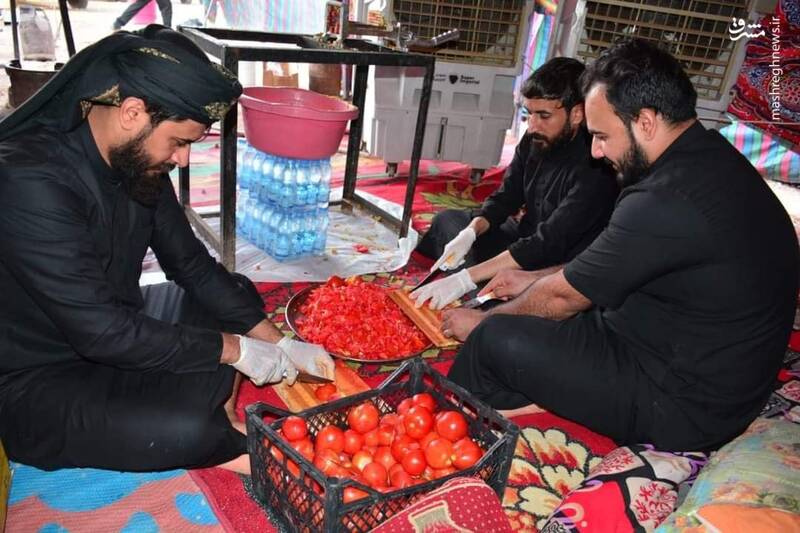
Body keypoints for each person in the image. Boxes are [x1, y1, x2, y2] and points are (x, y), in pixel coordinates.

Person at [0, 25, 334, 474]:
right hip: (39, 376)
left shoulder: (136, 161)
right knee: (186, 429)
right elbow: (102, 332)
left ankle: (217, 411)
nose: (182, 160)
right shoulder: (28, 180)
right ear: (132, 113)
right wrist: (235, 350)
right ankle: (215, 422)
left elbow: (191, 267)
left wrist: (280, 343)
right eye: (179, 142)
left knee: (235, 293)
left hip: (123, 323)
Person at [443, 39, 799, 452]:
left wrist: (483, 322)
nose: (596, 152)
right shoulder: (707, 157)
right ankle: (539, 395)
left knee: (495, 337)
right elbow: (612, 267)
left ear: (645, 122)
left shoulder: (664, 198)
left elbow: (562, 299)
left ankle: (458, 440)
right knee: (532, 308)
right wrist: (531, 278)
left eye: (601, 136)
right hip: (680, 350)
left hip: (681, 404)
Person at [411, 57, 618, 310]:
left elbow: (549, 241)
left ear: (576, 114)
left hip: (558, 264)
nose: (532, 126)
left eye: (544, 116)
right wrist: (472, 231)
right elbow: (506, 197)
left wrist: (466, 278)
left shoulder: (596, 165)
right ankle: (476, 286)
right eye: (529, 114)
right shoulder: (535, 141)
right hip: (524, 241)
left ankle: (480, 293)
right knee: (450, 222)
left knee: (503, 297)